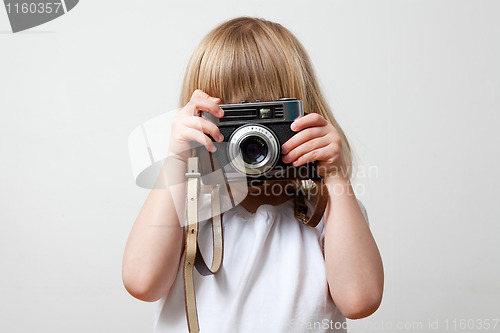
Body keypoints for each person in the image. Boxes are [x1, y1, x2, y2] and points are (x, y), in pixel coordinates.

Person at [122, 17, 384, 332]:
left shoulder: (329, 210)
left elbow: (360, 301)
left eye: (267, 115)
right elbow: (141, 283)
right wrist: (177, 160)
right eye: (233, 117)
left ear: (304, 115)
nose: (251, 134)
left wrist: (335, 177)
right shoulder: (188, 208)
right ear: (198, 120)